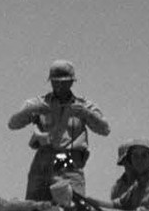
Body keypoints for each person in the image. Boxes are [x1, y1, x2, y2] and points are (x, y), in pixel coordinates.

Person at [8, 60, 110, 201]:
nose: (60, 86)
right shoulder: (39, 103)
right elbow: (13, 124)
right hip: (44, 158)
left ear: (72, 82)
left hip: (66, 157)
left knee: (70, 207)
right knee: (34, 208)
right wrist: (31, 110)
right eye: (56, 82)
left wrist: (86, 113)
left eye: (64, 82)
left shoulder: (82, 105)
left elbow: (105, 129)